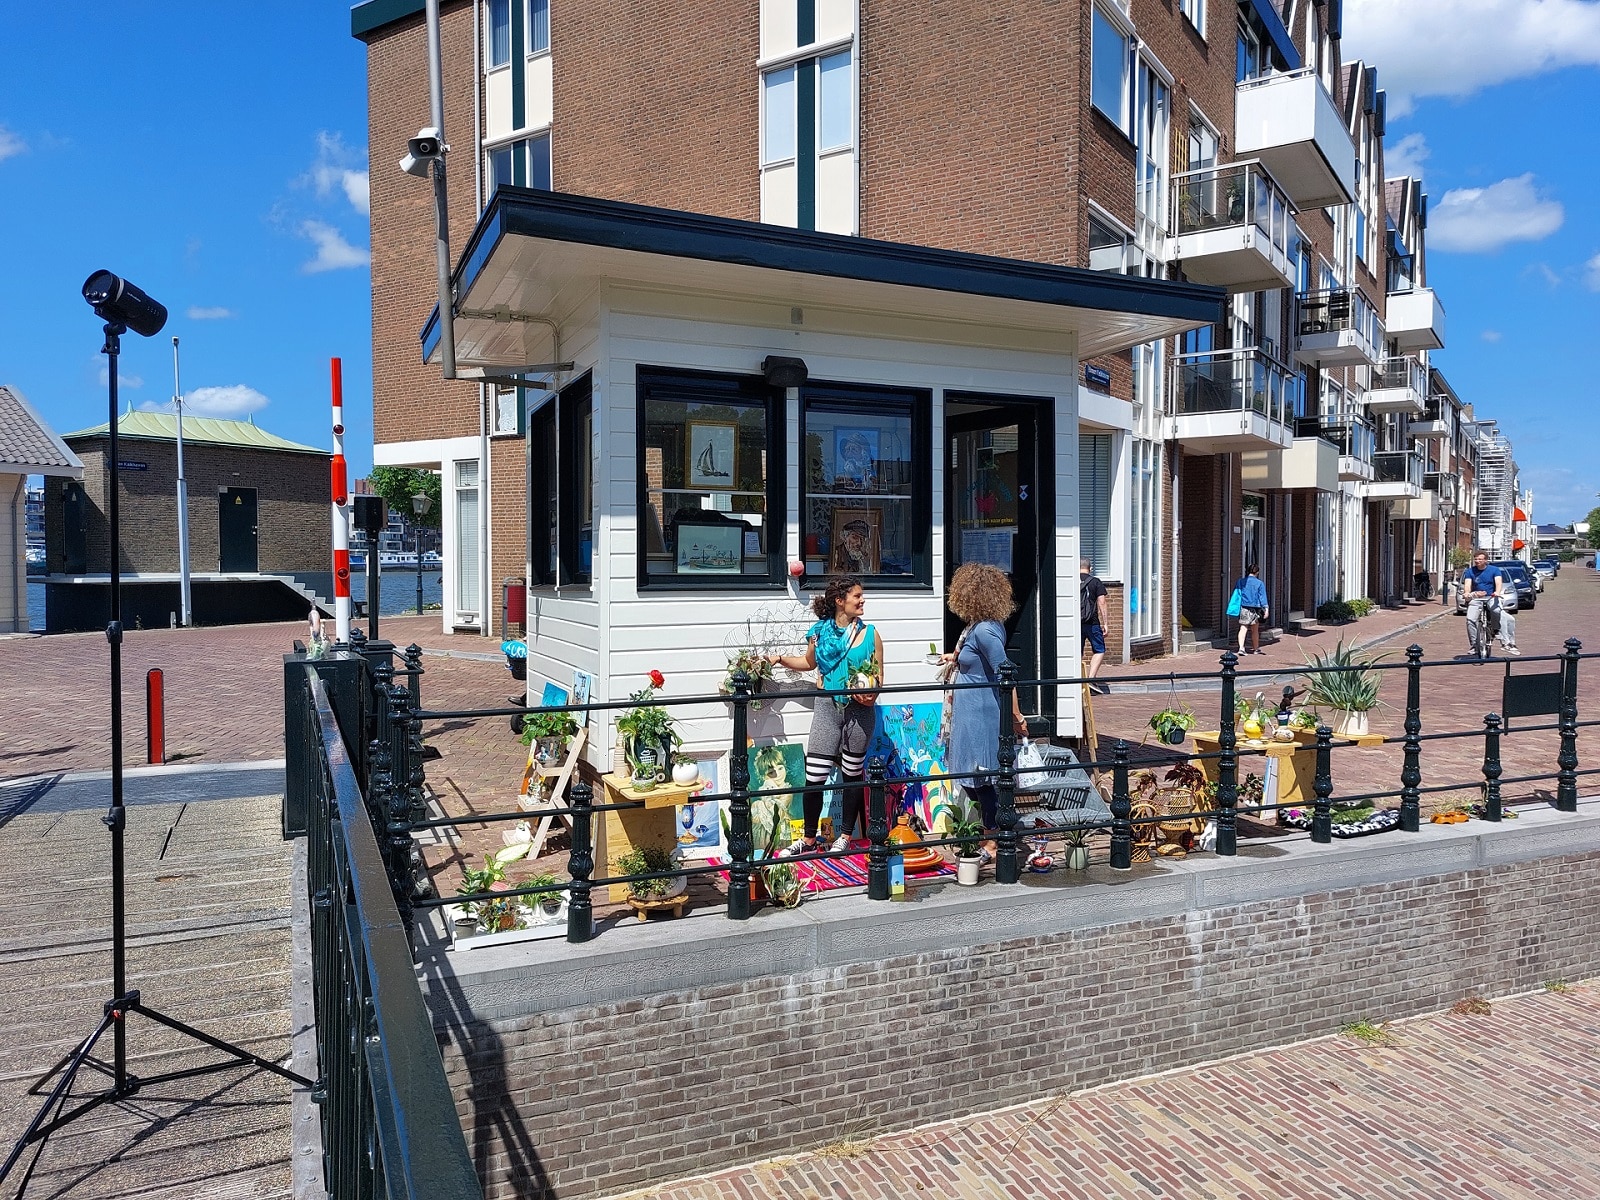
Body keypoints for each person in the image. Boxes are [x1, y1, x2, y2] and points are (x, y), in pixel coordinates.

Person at [768, 576, 883, 854]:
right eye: (857, 596)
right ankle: (808, 839)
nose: (863, 600)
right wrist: (781, 659)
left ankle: (844, 836)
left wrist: (872, 694)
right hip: (827, 708)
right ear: (839, 601)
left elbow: (878, 677)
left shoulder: (871, 634)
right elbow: (809, 662)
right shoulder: (818, 632)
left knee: (852, 773)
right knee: (814, 775)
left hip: (860, 711)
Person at [942, 563, 1029, 854]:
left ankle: (993, 839)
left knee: (982, 777)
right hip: (969, 710)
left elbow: (1005, 673)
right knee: (970, 775)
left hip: (981, 711)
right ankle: (989, 831)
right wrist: (952, 658)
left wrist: (1016, 716)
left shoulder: (985, 631)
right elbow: (975, 660)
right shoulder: (975, 628)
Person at [1460, 550, 1506, 660]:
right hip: (1476, 598)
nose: (1477, 561)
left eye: (1480, 559)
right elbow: (1467, 585)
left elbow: (1498, 583)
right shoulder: (1470, 571)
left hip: (1491, 596)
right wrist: (1467, 593)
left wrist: (1497, 592)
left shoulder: (1494, 570)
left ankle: (1495, 630)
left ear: (1486, 560)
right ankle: (1474, 646)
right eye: (1476, 559)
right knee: (1470, 619)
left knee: (1496, 611)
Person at [1079, 559, 1109, 690]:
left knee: (1076, 652)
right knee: (1099, 649)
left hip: (1076, 623)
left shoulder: (1072, 580)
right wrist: (1106, 623)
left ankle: (1077, 678)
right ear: (1090, 568)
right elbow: (1102, 602)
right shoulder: (1095, 582)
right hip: (1092, 623)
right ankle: (1090, 679)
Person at [1233, 564, 1269, 655]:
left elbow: (1237, 595)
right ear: (1257, 572)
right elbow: (1262, 597)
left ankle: (1241, 648)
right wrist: (1266, 609)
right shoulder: (1259, 583)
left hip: (1244, 607)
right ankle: (1256, 649)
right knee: (1255, 630)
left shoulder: (1241, 582)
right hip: (1255, 609)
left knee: (1243, 628)